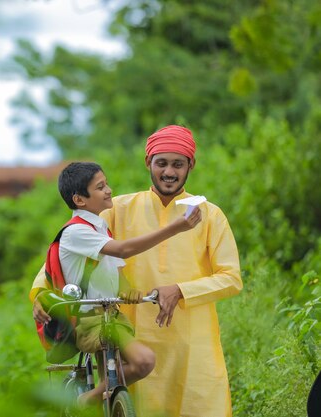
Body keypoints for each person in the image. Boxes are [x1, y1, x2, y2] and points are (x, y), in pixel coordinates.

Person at [32, 125, 243, 417]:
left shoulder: (209, 215)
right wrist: (41, 294)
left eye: (178, 164)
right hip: (131, 331)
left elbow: (231, 278)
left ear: (191, 165)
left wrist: (180, 290)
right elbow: (64, 254)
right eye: (162, 163)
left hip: (193, 344)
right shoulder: (116, 209)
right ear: (148, 163)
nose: (169, 172)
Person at [33, 161, 202, 406]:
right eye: (100, 187)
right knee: (143, 361)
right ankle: (86, 401)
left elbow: (116, 275)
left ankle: (98, 401)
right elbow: (123, 251)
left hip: (110, 316)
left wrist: (130, 291)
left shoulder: (100, 228)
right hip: (88, 320)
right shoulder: (75, 232)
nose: (109, 190)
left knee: (112, 381)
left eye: (106, 184)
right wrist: (175, 228)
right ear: (80, 200)